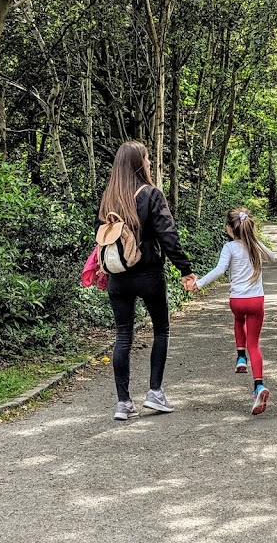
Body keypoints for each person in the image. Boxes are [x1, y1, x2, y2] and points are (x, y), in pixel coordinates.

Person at [99, 140, 197, 421]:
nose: (150, 163)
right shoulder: (152, 194)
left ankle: (123, 402)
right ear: (139, 163)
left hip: (118, 277)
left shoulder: (109, 198)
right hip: (149, 274)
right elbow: (168, 236)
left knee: (123, 335)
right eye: (146, 158)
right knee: (161, 330)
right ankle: (154, 393)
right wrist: (185, 270)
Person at [185, 208, 275, 415]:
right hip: (256, 301)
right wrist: (255, 240)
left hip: (237, 301)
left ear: (229, 229)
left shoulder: (229, 247)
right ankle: (259, 386)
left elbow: (219, 270)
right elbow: (272, 257)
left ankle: (240, 357)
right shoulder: (255, 246)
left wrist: (199, 284)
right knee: (255, 344)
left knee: (238, 320)